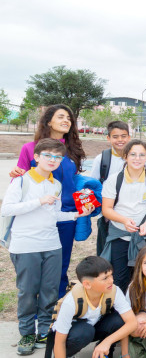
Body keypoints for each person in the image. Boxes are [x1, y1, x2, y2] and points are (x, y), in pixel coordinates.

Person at [2, 139, 92, 355]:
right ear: (37, 157)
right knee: (27, 291)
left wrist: (77, 214)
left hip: (52, 243)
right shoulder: (22, 181)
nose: (53, 160)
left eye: (58, 157)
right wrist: (39, 201)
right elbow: (7, 209)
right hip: (25, 244)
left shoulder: (56, 184)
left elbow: (55, 214)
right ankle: (26, 333)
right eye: (48, 155)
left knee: (50, 290)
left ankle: (43, 330)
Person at [11, 104, 85, 297]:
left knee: (60, 265)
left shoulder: (72, 150)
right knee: (36, 267)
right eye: (61, 116)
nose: (66, 120)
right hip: (37, 216)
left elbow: (73, 182)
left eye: (69, 118)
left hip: (65, 216)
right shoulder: (30, 149)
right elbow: (20, 180)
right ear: (48, 121)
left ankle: (57, 310)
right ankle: (36, 312)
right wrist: (15, 174)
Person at [101, 140, 146, 292]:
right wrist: (123, 220)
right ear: (125, 157)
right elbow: (107, 209)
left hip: (144, 236)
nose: (137, 158)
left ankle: (141, 309)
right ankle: (120, 311)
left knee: (145, 276)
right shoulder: (114, 180)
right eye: (133, 154)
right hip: (119, 235)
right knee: (119, 277)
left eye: (142, 155)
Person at [50, 256, 137, 358]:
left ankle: (104, 351)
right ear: (87, 284)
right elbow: (59, 342)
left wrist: (107, 342)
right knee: (85, 331)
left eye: (111, 275)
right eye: (105, 278)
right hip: (76, 333)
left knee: (119, 320)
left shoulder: (114, 290)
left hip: (95, 327)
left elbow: (132, 322)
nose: (111, 280)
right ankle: (68, 355)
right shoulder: (71, 301)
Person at [90, 120, 131, 256]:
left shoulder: (136, 157)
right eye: (115, 136)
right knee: (105, 252)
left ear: (129, 137)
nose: (120, 140)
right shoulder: (102, 159)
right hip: (107, 216)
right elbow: (93, 185)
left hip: (132, 214)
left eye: (123, 136)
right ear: (108, 138)